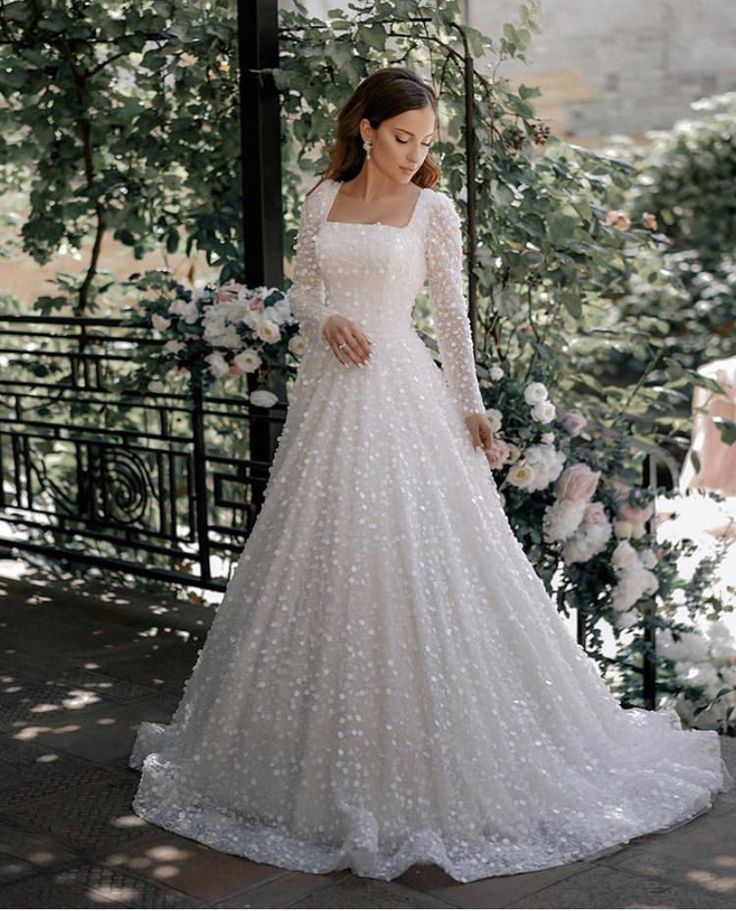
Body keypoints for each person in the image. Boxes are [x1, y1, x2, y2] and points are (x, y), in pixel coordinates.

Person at [128, 66, 734, 883]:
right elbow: (303, 288)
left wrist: (473, 406)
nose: (416, 155)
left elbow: (450, 313)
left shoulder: (434, 210)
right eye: (403, 137)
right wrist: (327, 313)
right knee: (322, 558)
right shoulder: (321, 197)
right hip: (332, 400)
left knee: (420, 556)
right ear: (368, 129)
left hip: (405, 395)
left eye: (426, 143)